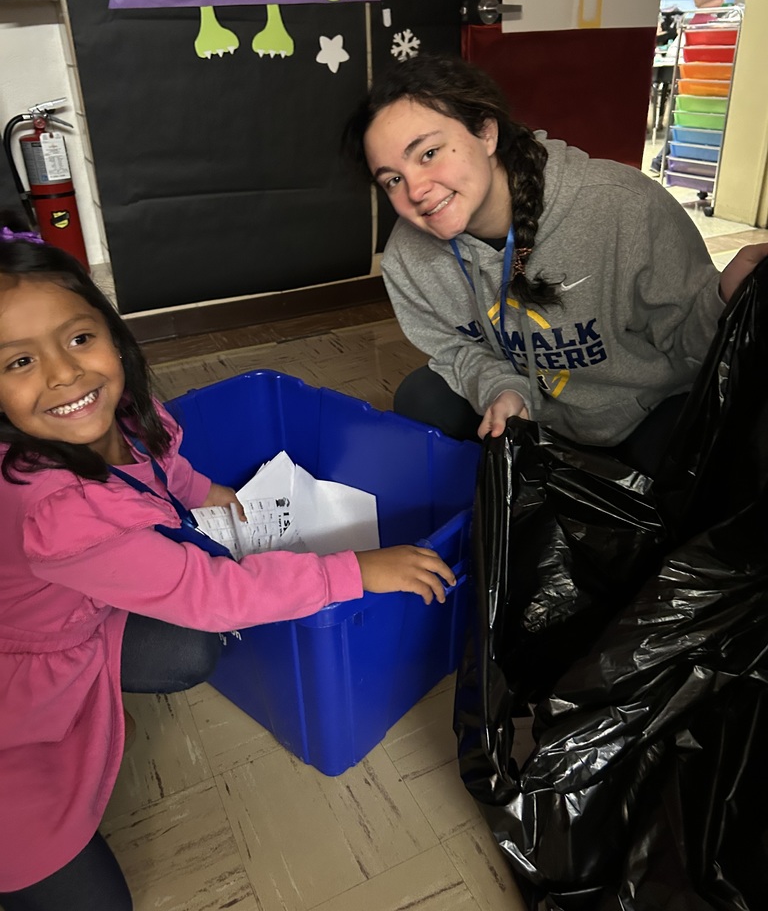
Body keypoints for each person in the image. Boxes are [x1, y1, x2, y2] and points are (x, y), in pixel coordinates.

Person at [0, 229, 455, 910]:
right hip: (20, 674)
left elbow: (161, 469)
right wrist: (356, 571)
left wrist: (208, 492)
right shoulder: (55, 511)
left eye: (79, 338)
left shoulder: (119, 413)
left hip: (82, 615)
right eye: (18, 361)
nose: (65, 374)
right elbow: (209, 594)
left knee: (187, 650)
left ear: (112, 335)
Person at [343, 53, 768, 475]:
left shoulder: (624, 207)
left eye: (429, 153)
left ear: (486, 133)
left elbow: (693, 346)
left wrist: (722, 298)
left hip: (644, 412)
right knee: (423, 397)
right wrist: (503, 391)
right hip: (533, 416)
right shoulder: (407, 258)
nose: (415, 190)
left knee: (719, 460)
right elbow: (455, 351)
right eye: (393, 179)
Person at [650, 0, 730, 173]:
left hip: (693, 83)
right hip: (694, 84)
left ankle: (661, 161)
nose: (722, 1)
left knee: (683, 123)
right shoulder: (706, 26)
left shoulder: (695, 24)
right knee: (682, 124)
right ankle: (660, 161)